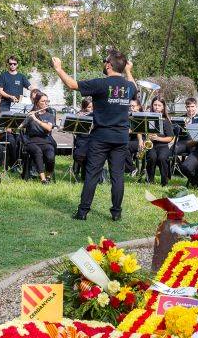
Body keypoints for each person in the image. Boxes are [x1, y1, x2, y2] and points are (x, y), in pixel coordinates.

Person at [52, 50, 136, 221]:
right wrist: (128, 71)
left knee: (92, 174)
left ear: (108, 65)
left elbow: (72, 85)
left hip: (101, 137)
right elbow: (134, 89)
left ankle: (83, 212)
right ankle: (116, 213)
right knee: (117, 176)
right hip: (120, 138)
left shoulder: (101, 84)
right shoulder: (129, 86)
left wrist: (59, 69)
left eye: (106, 61)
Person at [22, 90, 56, 184]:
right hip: (31, 141)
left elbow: (49, 128)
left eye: (47, 101)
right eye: (43, 101)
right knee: (37, 152)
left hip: (45, 140)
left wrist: (36, 119)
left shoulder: (49, 115)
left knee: (50, 156)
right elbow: (20, 127)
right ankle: (43, 179)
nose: (46, 103)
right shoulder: (31, 115)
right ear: (37, 102)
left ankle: (48, 176)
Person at [145, 97, 175, 186]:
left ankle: (164, 182)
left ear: (163, 107)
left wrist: (158, 138)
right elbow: (141, 132)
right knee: (152, 157)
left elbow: (170, 138)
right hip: (151, 145)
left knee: (162, 158)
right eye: (155, 105)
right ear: (152, 105)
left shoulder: (165, 120)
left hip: (163, 146)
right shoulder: (147, 118)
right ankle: (150, 179)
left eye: (159, 105)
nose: (157, 107)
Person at [72, 97, 93, 181]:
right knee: (80, 153)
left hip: (94, 138)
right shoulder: (79, 115)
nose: (91, 109)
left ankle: (87, 175)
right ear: (84, 107)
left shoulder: (97, 114)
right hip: (82, 139)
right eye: (89, 107)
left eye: (93, 107)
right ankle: (76, 173)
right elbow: (74, 130)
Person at [125, 98, 143, 175]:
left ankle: (131, 169)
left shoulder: (142, 116)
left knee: (124, 146)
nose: (131, 108)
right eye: (130, 106)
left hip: (142, 140)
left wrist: (140, 141)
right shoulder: (129, 116)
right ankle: (131, 168)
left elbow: (139, 131)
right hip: (132, 140)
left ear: (138, 106)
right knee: (122, 146)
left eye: (133, 106)